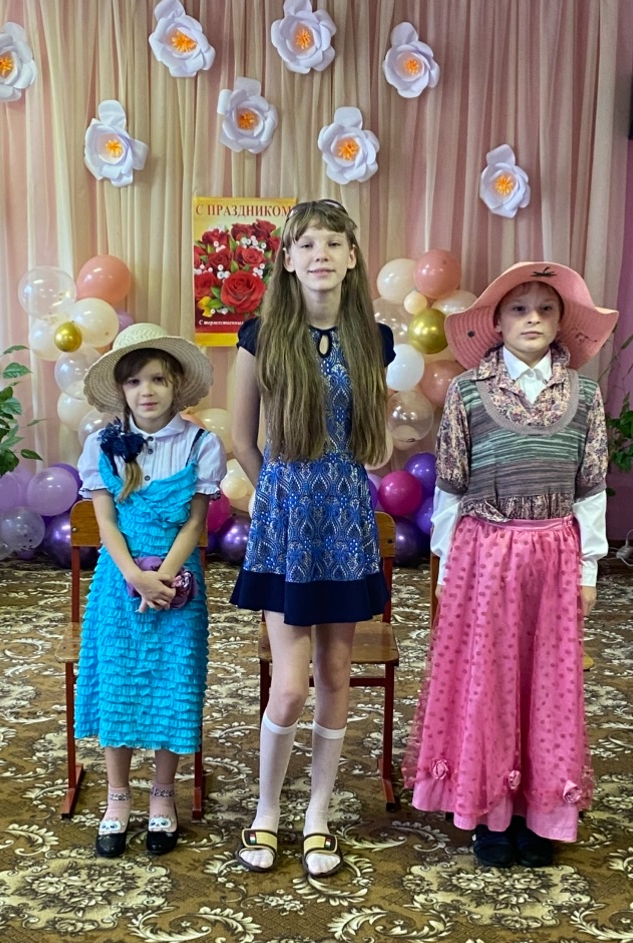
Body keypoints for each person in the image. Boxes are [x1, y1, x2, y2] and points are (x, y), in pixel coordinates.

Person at [402, 262, 618, 869]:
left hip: (554, 557)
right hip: (485, 554)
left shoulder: (584, 397)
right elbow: (450, 486)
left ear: (561, 322)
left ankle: (540, 811)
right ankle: (489, 809)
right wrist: (446, 567)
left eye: (545, 309)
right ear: (495, 322)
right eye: (519, 309)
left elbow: (591, 489)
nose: (532, 320)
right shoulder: (468, 393)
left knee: (549, 683)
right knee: (489, 680)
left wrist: (588, 570)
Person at [230, 199, 395, 877]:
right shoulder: (261, 335)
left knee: (334, 676)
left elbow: (375, 443)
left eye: (333, 243)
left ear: (352, 258)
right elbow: (243, 439)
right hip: (287, 523)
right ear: (289, 260)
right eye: (307, 244)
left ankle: (317, 816)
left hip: (346, 522)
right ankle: (267, 810)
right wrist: (280, 499)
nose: (320, 253)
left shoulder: (374, 339)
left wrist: (382, 438)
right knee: (291, 686)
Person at [75, 322, 226, 859]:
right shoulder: (102, 445)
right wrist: (136, 577)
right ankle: (117, 796)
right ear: (121, 389)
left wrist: (163, 578)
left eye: (158, 378)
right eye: (135, 381)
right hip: (117, 586)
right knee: (118, 685)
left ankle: (164, 794)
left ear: (175, 384)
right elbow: (107, 525)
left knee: (173, 686)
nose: (147, 391)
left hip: (178, 587)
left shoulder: (201, 443)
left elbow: (195, 524)